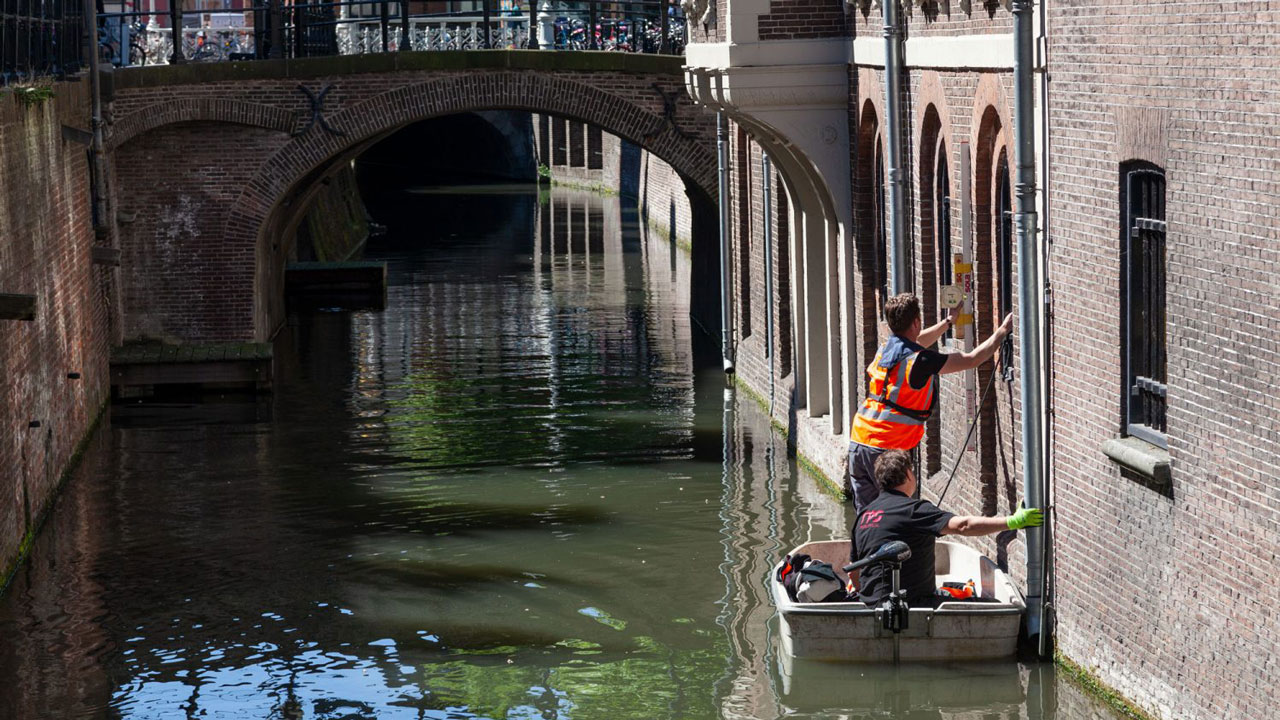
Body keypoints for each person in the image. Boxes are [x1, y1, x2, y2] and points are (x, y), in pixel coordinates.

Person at [846, 292, 1013, 511]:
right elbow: (972, 360)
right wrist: (1003, 331)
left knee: (867, 518)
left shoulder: (885, 349)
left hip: (858, 441)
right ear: (916, 322)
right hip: (884, 449)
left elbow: (915, 341)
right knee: (893, 515)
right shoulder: (921, 360)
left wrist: (948, 322)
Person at [849, 449, 1043, 606]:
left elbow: (854, 574)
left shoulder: (864, 516)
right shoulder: (914, 509)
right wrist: (1012, 521)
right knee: (990, 605)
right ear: (909, 474)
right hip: (914, 605)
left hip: (870, 605)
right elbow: (963, 526)